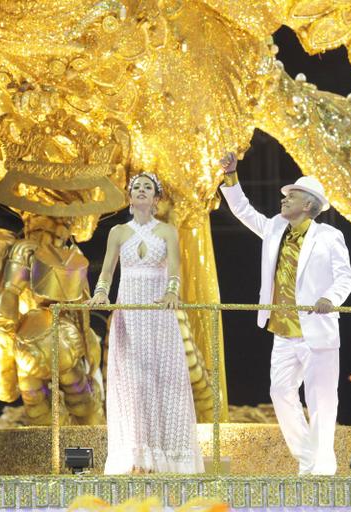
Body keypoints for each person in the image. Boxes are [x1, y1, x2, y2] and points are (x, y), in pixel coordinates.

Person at [219, 152, 351, 476]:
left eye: (290, 196)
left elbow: (346, 276)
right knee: (280, 393)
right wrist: (231, 176)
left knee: (322, 401)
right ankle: (309, 459)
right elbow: (242, 210)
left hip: (316, 330)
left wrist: (329, 298)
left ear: (308, 205)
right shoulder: (275, 229)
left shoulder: (328, 237)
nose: (284, 200)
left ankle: (320, 469)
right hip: (282, 329)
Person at [88, 172, 204, 474]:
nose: (141, 191)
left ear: (156, 198)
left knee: (162, 379)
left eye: (147, 188)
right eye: (136, 187)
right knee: (133, 383)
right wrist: (101, 293)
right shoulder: (117, 232)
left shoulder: (167, 231)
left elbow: (175, 270)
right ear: (130, 197)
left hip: (158, 314)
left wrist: (171, 292)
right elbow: (108, 271)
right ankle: (137, 456)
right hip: (129, 314)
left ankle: (167, 457)